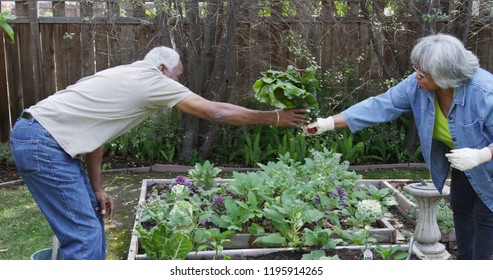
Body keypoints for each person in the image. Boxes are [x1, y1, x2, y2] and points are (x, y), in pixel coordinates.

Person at [9, 46, 311, 260]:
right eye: (177, 77)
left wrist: (97, 187)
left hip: (43, 139)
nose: (178, 85)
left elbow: (95, 136)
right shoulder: (152, 79)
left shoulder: (124, 75)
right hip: (44, 143)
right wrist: (274, 117)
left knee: (90, 219)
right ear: (163, 69)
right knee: (84, 234)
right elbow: (216, 112)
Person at [303, 33, 493, 260]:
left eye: (423, 72)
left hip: (484, 160)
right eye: (417, 69)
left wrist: (482, 154)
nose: (417, 76)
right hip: (466, 163)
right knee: (461, 210)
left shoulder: (484, 91)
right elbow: (382, 104)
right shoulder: (418, 86)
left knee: (486, 219)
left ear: (445, 74)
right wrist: (329, 122)